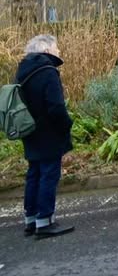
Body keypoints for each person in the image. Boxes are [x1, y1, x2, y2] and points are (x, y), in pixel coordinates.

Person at [16, 34, 74, 239]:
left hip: (29, 129)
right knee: (49, 175)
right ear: (47, 50)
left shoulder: (23, 70)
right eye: (56, 48)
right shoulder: (48, 71)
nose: (59, 51)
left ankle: (31, 219)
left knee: (34, 174)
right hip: (49, 132)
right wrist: (67, 125)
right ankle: (45, 221)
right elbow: (56, 107)